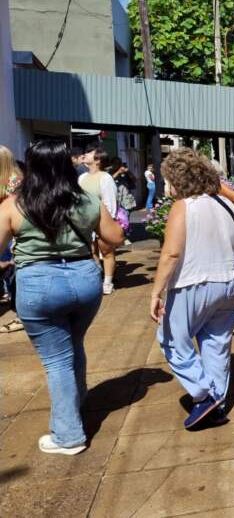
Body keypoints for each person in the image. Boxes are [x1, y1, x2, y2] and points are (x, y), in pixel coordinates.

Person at [0, 141, 124, 454]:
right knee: (73, 344)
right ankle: (77, 400)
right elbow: (115, 237)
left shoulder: (14, 205)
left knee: (57, 360)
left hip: (38, 285)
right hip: (85, 280)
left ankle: (68, 436)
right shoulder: (87, 200)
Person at [150, 149, 234, 429]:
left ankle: (203, 394)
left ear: (177, 180)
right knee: (216, 344)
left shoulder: (184, 206)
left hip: (194, 282)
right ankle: (217, 403)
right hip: (230, 281)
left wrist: (156, 292)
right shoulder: (227, 205)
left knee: (171, 339)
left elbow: (171, 253)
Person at [79, 147, 118, 295]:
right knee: (91, 251)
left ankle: (108, 282)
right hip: (86, 221)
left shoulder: (105, 178)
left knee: (107, 251)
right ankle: (97, 278)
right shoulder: (82, 178)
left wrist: (109, 223)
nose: (86, 154)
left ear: (98, 160)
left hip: (102, 220)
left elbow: (110, 202)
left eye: (90, 153)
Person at [0, 146, 23, 333]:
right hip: (3, 228)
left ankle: (20, 314)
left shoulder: (14, 179)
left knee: (13, 271)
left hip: (11, 230)